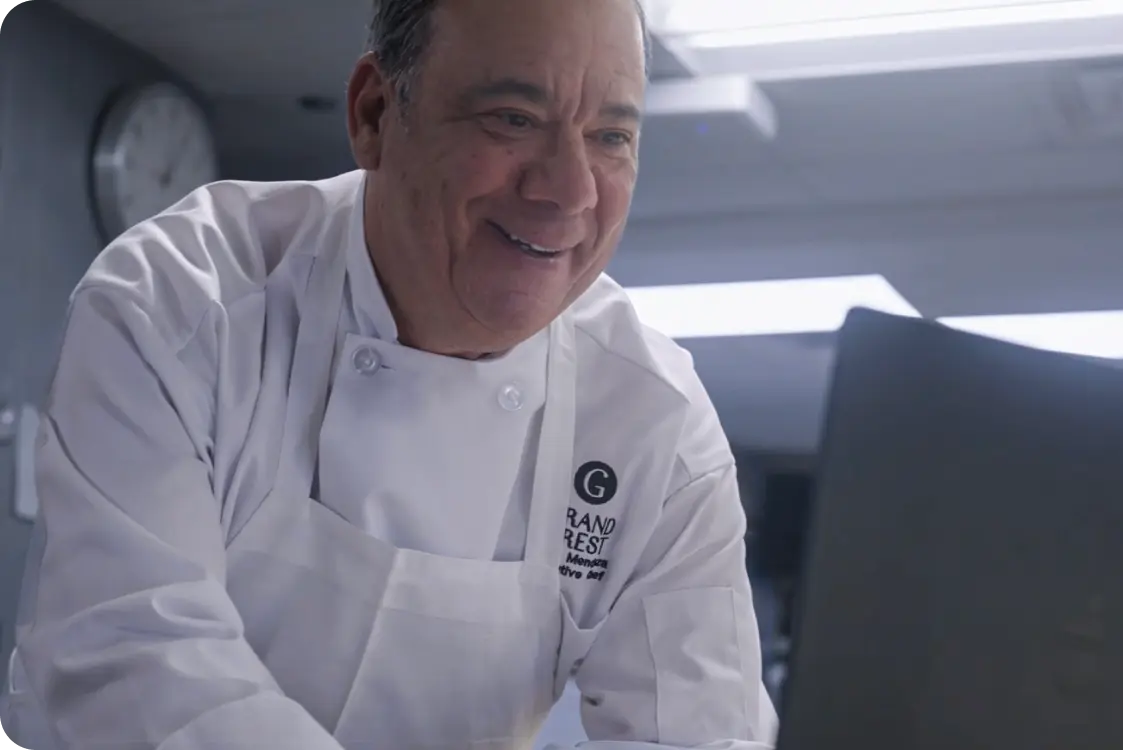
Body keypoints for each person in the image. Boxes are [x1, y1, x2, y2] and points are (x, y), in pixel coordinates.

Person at [0, 0, 778, 747]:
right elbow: (135, 671)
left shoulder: (654, 429)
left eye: (611, 136)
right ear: (374, 114)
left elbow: (704, 732)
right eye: (514, 119)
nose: (569, 191)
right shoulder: (182, 304)